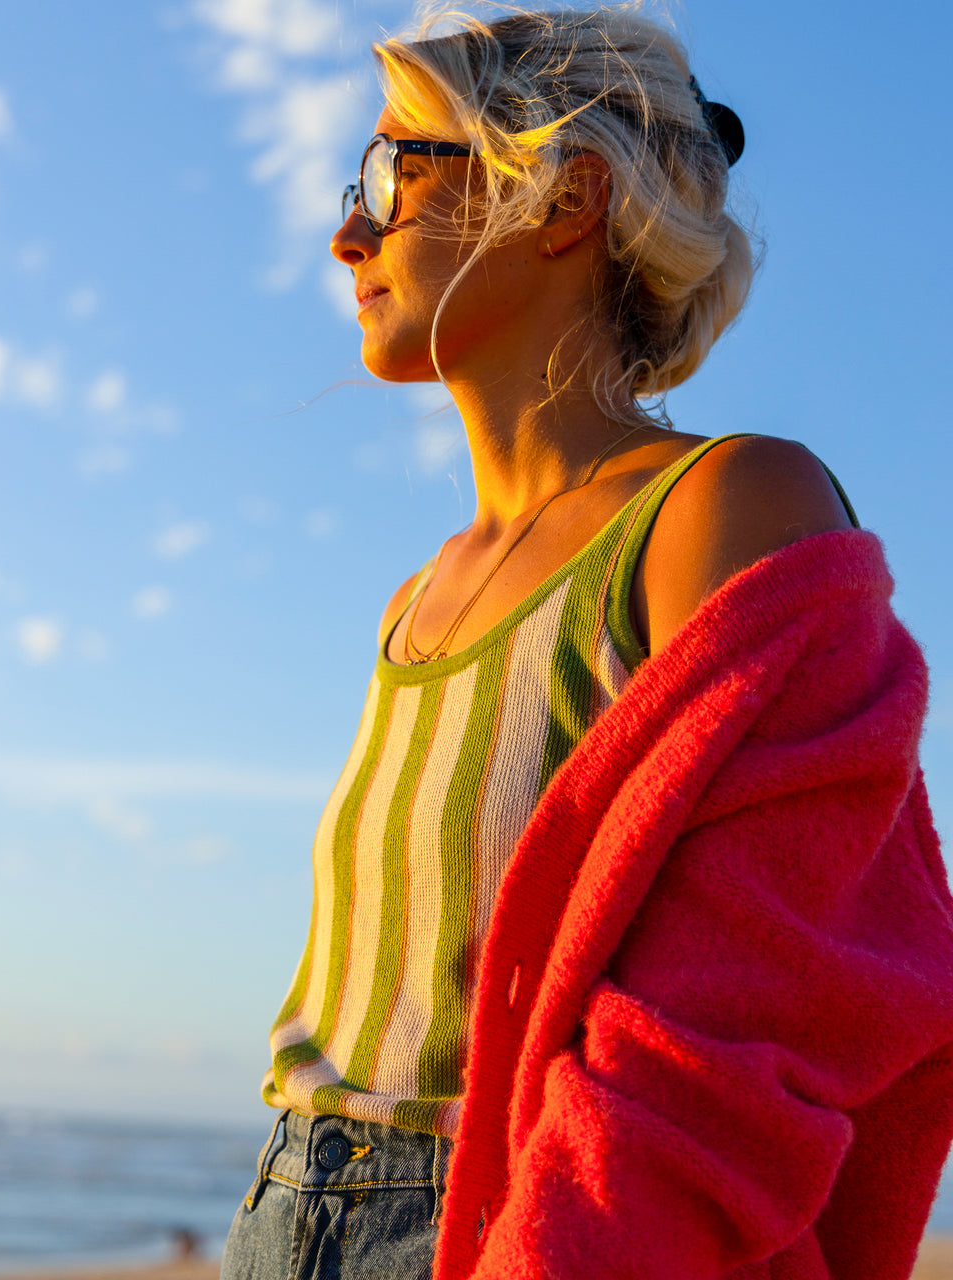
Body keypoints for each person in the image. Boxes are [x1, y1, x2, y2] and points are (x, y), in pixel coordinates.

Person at [222, 7, 953, 1279]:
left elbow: (750, 1002)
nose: (349, 232)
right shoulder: (413, 597)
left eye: (396, 172)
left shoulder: (721, 507)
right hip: (282, 1208)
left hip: (507, 1225)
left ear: (565, 201)